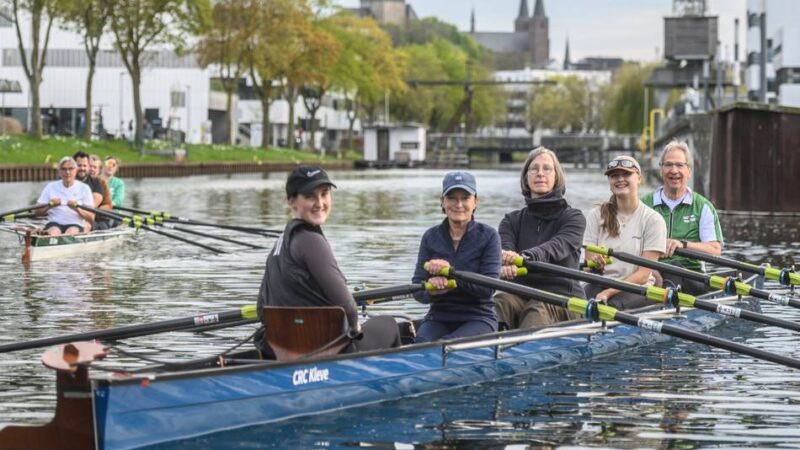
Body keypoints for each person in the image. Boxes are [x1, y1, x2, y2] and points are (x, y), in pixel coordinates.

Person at [255, 165, 401, 356]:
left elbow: (261, 309)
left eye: (324, 194)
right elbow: (348, 306)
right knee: (388, 323)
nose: (320, 202)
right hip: (326, 348)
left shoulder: (279, 243)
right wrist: (356, 328)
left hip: (285, 348)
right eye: (310, 196)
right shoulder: (311, 240)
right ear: (291, 201)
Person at [494, 147, 587, 329]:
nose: (540, 174)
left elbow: (556, 247)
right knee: (498, 302)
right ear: (526, 178)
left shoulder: (574, 218)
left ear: (556, 177)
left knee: (537, 309)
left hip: (563, 299)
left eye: (547, 169)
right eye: (534, 169)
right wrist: (505, 262)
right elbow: (505, 250)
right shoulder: (511, 220)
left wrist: (525, 258)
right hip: (520, 293)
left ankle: (519, 353)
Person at [411, 171, 501, 342]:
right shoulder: (430, 237)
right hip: (439, 317)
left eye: (465, 198)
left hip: (479, 317)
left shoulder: (489, 236)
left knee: (447, 346)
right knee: (422, 344)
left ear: (475, 202)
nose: (458, 204)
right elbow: (417, 289)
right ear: (442, 202)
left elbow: (488, 289)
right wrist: (432, 290)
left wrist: (451, 274)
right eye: (452, 198)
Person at [583, 155, 667, 310]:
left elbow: (642, 275)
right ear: (610, 183)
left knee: (609, 307)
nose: (620, 179)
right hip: (601, 283)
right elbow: (588, 263)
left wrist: (608, 293)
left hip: (637, 287)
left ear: (639, 179)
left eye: (626, 174)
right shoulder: (595, 215)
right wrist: (595, 263)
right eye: (614, 176)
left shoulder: (653, 220)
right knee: (575, 306)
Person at [642, 140, 724, 295]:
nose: (674, 170)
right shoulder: (644, 204)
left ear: (689, 171)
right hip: (650, 274)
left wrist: (682, 245)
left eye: (680, 165)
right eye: (668, 165)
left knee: (674, 268)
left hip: (691, 277)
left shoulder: (702, 206)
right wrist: (651, 270)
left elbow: (715, 250)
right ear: (661, 170)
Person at [34, 157, 95, 236]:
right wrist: (49, 205)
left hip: (75, 224)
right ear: (59, 172)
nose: (67, 172)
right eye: (64, 169)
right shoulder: (50, 187)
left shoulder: (84, 188)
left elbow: (91, 217)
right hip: (54, 223)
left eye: (70, 169)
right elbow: (37, 212)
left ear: (76, 171)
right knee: (53, 232)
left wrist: (77, 209)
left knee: (70, 233)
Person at [74, 151, 113, 230]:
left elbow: (106, 205)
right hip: (75, 216)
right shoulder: (69, 181)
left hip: (97, 218)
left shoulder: (99, 182)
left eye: (94, 167)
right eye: (90, 166)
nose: (91, 169)